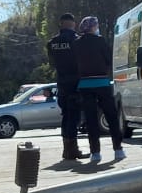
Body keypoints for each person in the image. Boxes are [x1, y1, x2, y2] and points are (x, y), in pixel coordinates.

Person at [72, 15, 125, 163]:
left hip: (84, 85)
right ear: (93, 27)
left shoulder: (76, 44)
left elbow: (75, 63)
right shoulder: (100, 40)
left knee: (91, 119)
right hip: (101, 82)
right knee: (111, 116)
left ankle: (95, 152)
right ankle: (118, 150)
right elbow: (108, 59)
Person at [46, 12, 85, 160]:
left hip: (61, 83)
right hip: (76, 83)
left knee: (66, 116)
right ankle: (71, 150)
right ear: (73, 24)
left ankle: (67, 149)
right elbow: (81, 62)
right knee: (74, 117)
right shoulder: (77, 40)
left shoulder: (52, 43)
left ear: (60, 23)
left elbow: (52, 63)